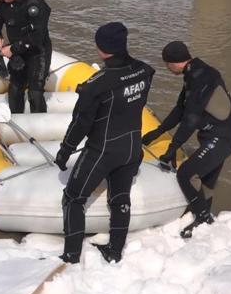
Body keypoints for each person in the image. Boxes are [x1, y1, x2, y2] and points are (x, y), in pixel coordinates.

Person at [54, 22, 155, 264]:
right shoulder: (144, 71)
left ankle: (71, 255)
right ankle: (115, 251)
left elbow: (80, 123)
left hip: (103, 150)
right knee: (121, 198)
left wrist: (65, 151)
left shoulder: (96, 85)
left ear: (101, 48)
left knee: (73, 198)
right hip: (132, 146)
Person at [141, 41, 231, 238]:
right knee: (206, 179)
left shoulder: (201, 78)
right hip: (216, 136)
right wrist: (159, 131)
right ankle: (203, 216)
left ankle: (203, 218)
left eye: (166, 64)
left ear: (174, 62)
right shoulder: (193, 74)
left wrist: (173, 146)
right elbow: (180, 109)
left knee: (186, 173)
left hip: (222, 137)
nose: (167, 69)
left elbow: (191, 119)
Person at [0, 0, 52, 114]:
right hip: (18, 51)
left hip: (37, 52)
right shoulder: (4, 2)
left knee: (35, 93)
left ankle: (39, 127)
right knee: (15, 89)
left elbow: (36, 37)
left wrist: (11, 49)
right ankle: (16, 121)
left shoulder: (36, 5)